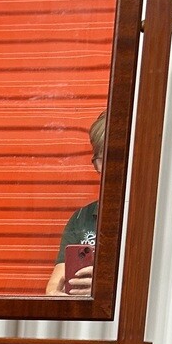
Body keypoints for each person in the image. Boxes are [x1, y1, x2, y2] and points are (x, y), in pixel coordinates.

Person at [45, 111, 105, 297]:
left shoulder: (157, 216)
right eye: (103, 159)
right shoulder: (82, 218)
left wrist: (106, 287)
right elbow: (52, 289)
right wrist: (59, 295)